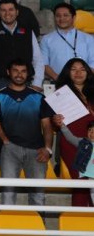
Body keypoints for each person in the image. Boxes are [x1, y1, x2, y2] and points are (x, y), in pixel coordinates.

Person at [0, 59, 53, 206]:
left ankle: (39, 229)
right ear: (8, 72)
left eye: (23, 71)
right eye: (15, 70)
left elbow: (47, 125)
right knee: (7, 195)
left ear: (28, 74)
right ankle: (5, 229)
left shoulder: (39, 97)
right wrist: (5, 141)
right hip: (10, 151)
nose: (19, 74)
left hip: (37, 151)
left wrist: (48, 149)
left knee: (38, 197)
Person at [0, 0, 44, 97]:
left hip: (24, 81)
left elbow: (37, 59)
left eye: (11, 9)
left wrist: (37, 82)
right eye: (3, 10)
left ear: (17, 12)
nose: (7, 13)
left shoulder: (28, 30)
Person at [53, 58, 94, 206]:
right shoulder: (61, 94)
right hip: (74, 144)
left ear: (88, 73)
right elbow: (53, 123)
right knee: (81, 183)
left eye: (82, 69)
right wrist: (55, 121)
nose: (78, 73)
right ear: (67, 73)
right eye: (73, 69)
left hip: (93, 143)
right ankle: (79, 222)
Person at [41, 3, 94, 81]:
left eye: (66, 15)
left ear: (74, 17)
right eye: (58, 16)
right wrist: (58, 79)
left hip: (84, 84)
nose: (61, 19)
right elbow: (43, 64)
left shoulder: (88, 38)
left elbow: (93, 62)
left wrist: (84, 79)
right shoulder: (46, 39)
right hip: (57, 83)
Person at [57, 119, 94, 206]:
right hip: (90, 178)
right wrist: (62, 126)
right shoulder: (83, 143)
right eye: (90, 130)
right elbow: (70, 138)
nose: (92, 133)